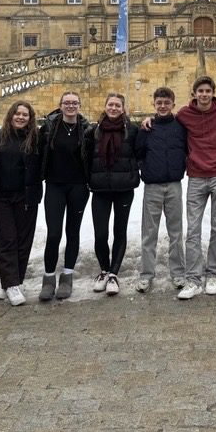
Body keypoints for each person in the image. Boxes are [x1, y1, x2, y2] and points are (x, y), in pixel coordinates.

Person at [174, 76, 216, 300]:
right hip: (196, 177)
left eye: (208, 90)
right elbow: (166, 121)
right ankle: (193, 279)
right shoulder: (184, 115)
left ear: (213, 92)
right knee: (193, 230)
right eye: (201, 91)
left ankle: (213, 275)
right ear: (194, 93)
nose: (204, 94)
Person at [83, 93, 140, 296]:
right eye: (110, 104)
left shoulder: (132, 130)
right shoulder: (93, 131)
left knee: (120, 231)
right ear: (105, 106)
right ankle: (104, 270)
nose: (114, 108)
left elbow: (140, 153)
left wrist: (134, 172)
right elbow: (87, 157)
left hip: (124, 188)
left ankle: (114, 274)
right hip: (100, 189)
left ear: (123, 108)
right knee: (100, 233)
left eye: (117, 105)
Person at [38, 91, 90, 301]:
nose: (70, 106)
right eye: (66, 102)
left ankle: (67, 277)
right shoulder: (49, 128)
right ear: (60, 105)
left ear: (79, 105)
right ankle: (48, 278)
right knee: (53, 233)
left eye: (74, 103)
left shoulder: (86, 129)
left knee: (73, 232)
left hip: (78, 187)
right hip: (55, 186)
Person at [134, 87, 188, 292]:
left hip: (174, 184)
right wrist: (146, 168)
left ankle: (178, 273)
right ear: (154, 104)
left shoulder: (180, 126)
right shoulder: (147, 128)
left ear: (173, 104)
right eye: (159, 103)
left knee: (176, 232)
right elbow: (138, 152)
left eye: (167, 102)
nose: (163, 106)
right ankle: (147, 274)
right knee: (149, 233)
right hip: (152, 186)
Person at [0, 101, 42, 306]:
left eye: (25, 115)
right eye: (17, 114)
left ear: (30, 119)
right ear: (11, 115)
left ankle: (13, 282)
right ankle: (11, 284)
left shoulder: (36, 138)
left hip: (27, 196)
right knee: (6, 239)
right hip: (2, 196)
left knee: (23, 240)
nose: (21, 117)